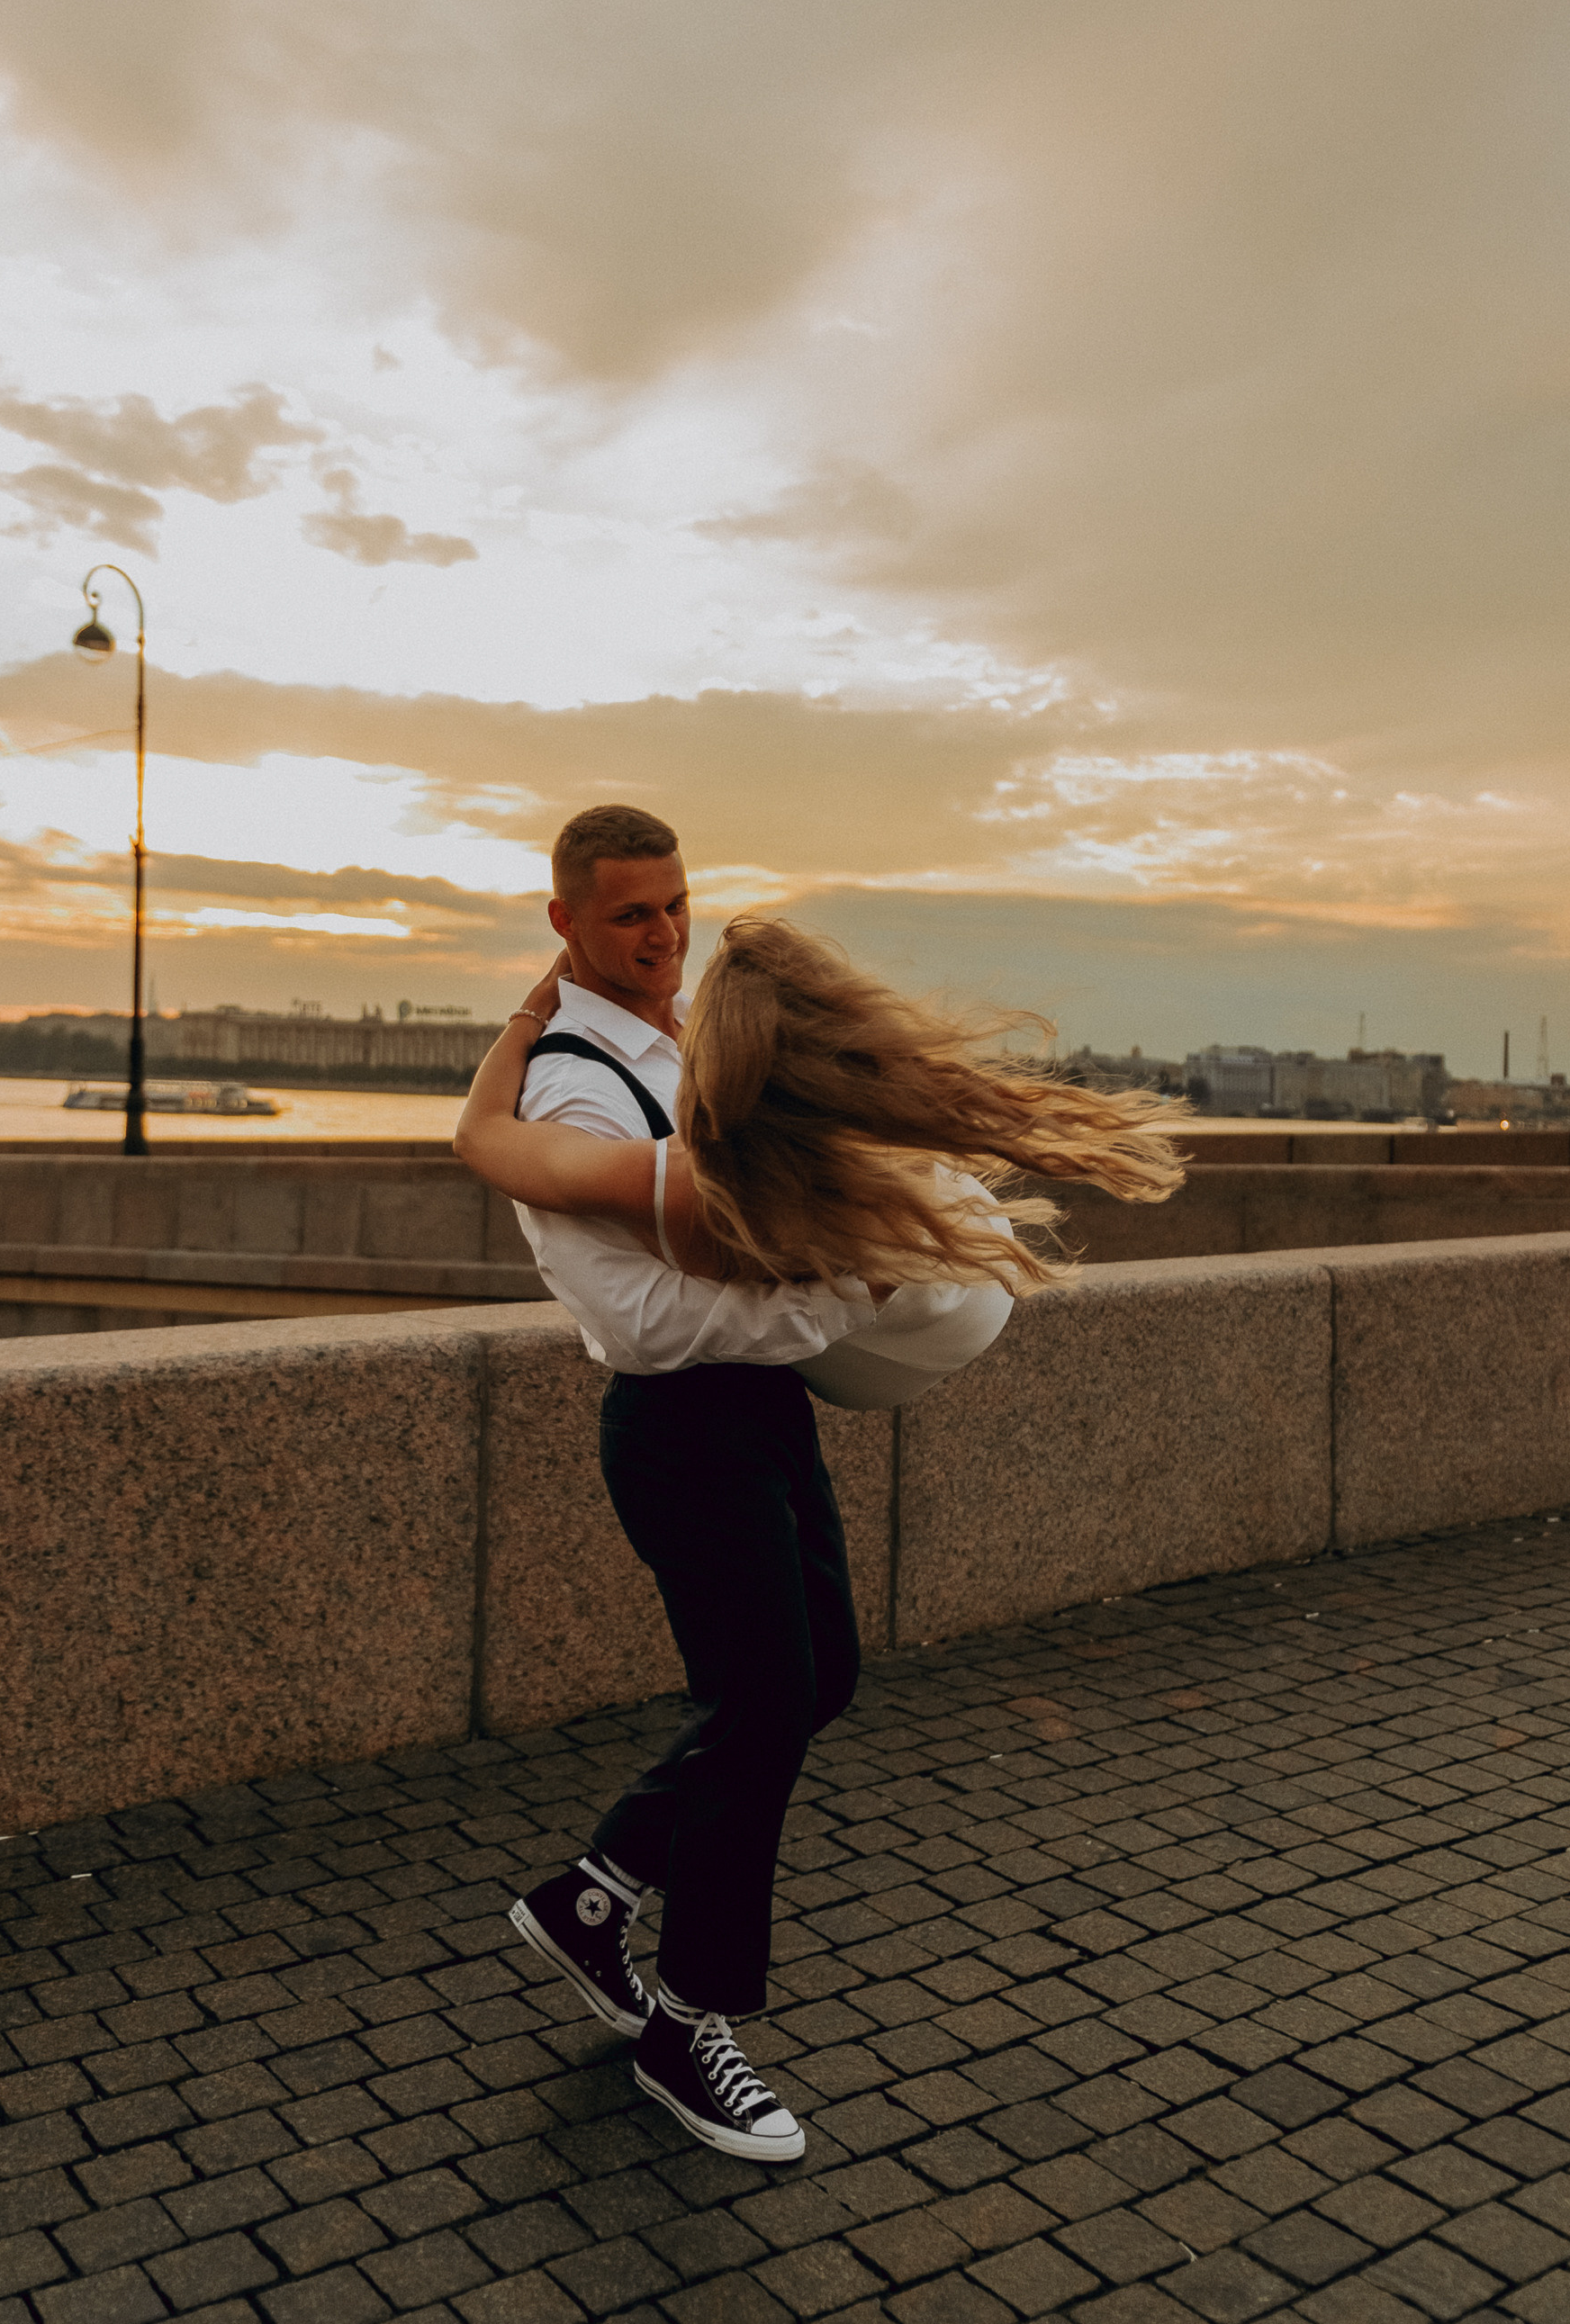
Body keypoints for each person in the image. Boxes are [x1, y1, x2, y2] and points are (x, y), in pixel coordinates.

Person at [454, 805, 1179, 2163]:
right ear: (565, 923)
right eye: (627, 914)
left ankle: (596, 1895)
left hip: (758, 1417)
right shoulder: (573, 1083)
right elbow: (663, 1309)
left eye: (672, 905)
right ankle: (690, 2022)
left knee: (819, 1675)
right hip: (680, 1426)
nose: (662, 933)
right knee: (767, 1700)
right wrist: (850, 1283)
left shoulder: (678, 1049)